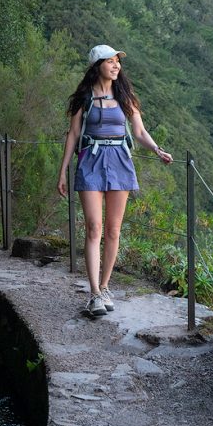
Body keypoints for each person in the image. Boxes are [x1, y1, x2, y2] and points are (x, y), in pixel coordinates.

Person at [57, 44, 173, 318]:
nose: (116, 65)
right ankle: (95, 293)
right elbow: (73, 135)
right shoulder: (84, 97)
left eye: (117, 61)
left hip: (120, 160)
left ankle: (106, 287)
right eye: (109, 61)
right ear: (97, 66)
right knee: (94, 228)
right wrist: (63, 171)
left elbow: (140, 131)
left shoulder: (125, 96)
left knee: (113, 230)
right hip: (90, 160)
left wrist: (157, 150)